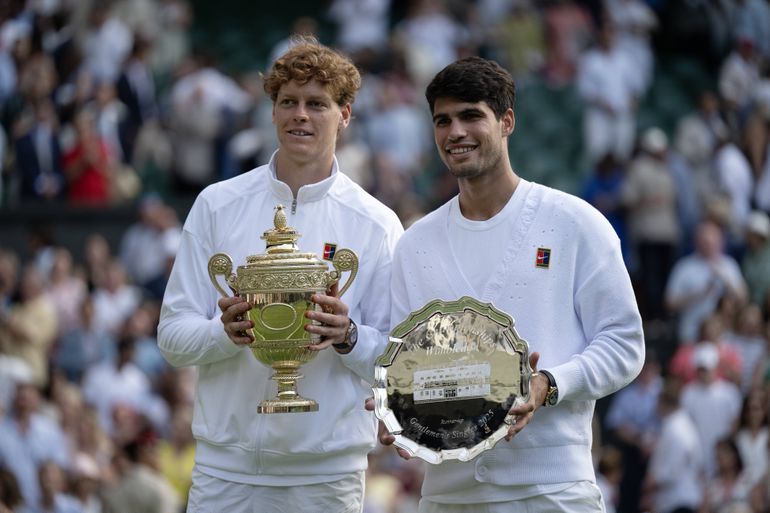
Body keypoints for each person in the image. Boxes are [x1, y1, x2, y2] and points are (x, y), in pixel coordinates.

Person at [382, 56, 644, 512]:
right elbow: (408, 364)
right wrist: (399, 413)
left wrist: (549, 384)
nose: (455, 132)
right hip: (448, 496)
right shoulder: (414, 244)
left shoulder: (575, 223)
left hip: (552, 489)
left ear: (506, 121)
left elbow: (624, 344)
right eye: (442, 120)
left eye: (470, 116)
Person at [157, 36, 403, 513]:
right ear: (272, 112)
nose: (300, 115)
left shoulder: (377, 223)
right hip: (223, 472)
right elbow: (171, 337)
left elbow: (398, 358)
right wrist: (225, 333)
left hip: (327, 475)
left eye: (317, 103)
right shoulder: (216, 204)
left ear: (345, 114)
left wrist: (348, 335)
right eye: (288, 101)